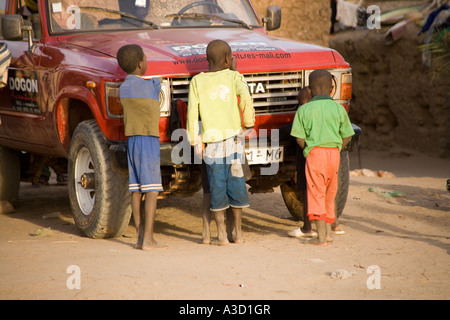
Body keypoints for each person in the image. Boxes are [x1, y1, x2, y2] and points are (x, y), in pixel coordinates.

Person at [187, 40, 255, 246]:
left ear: (207, 59)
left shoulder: (197, 82)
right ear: (228, 59)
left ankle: (221, 236)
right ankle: (239, 234)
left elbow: (192, 113)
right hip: (234, 143)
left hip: (213, 146)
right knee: (236, 184)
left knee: (216, 187)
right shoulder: (235, 76)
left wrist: (194, 140)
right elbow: (246, 97)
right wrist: (249, 123)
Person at [290, 69, 354, 246]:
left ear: (309, 90)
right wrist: (337, 146)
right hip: (334, 154)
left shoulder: (304, 110)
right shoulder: (338, 108)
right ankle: (328, 233)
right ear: (332, 88)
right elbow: (348, 134)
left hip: (315, 154)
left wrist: (308, 150)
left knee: (316, 193)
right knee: (330, 192)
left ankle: (321, 238)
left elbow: (298, 137)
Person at [117, 44, 166, 251]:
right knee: (152, 191)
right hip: (148, 140)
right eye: (145, 59)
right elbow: (158, 87)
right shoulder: (149, 86)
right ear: (140, 63)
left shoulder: (123, 87)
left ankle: (139, 236)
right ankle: (149, 239)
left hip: (132, 141)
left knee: (136, 190)